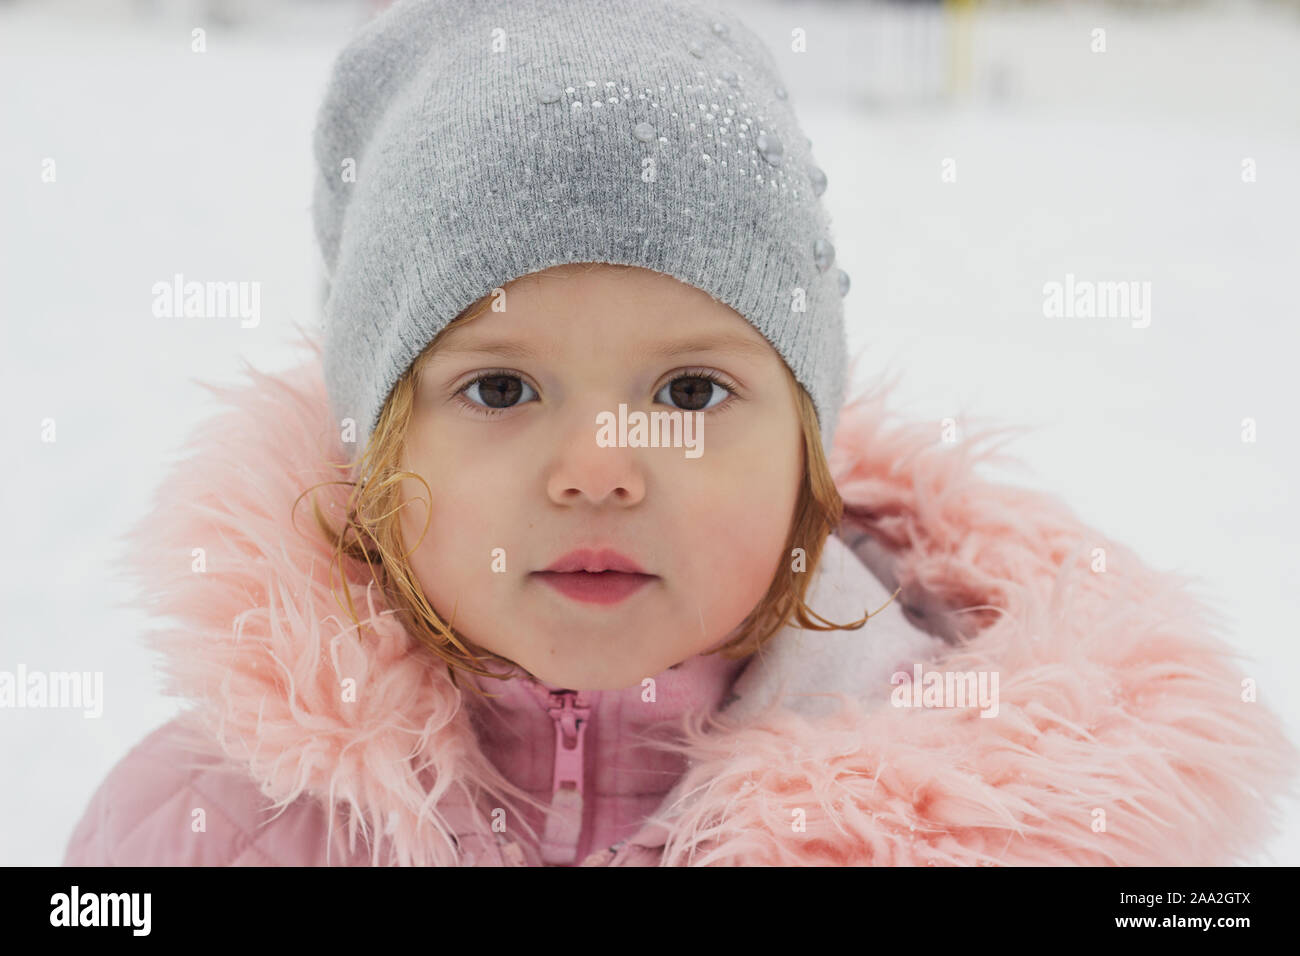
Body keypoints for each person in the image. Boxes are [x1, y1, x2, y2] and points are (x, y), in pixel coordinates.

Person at [63, 0, 1297, 867]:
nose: (600, 465)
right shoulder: (197, 827)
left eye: (691, 394)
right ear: (376, 456)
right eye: (500, 390)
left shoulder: (1006, 831)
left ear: (807, 458)